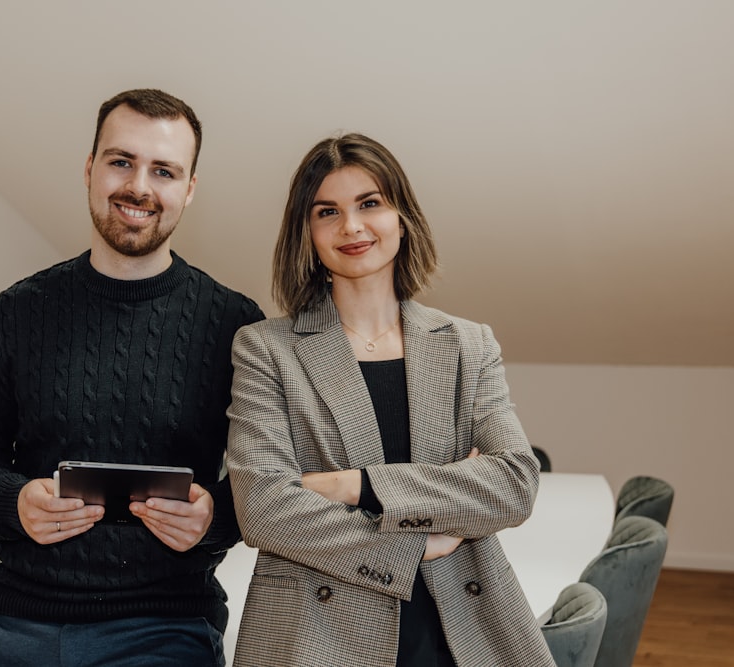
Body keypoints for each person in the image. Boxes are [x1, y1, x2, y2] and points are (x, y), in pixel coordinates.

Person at [0, 88, 263, 667]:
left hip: (166, 624)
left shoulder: (236, 326)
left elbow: (272, 477)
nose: (139, 186)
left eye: (163, 170)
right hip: (15, 620)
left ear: (188, 190)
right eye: (121, 161)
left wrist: (216, 517)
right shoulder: (18, 311)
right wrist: (14, 501)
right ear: (90, 170)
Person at [225, 133, 554, 666]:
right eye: (327, 211)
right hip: (317, 634)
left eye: (369, 203)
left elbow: (514, 485)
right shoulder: (266, 348)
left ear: (402, 216)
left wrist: (356, 486)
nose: (351, 227)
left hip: (460, 621)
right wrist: (415, 541)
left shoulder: (468, 345)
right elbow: (263, 509)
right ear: (306, 233)